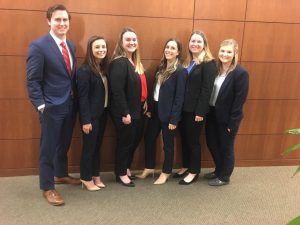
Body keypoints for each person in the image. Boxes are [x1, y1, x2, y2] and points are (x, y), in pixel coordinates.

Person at [26, 4, 79, 206]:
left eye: (65, 19)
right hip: (50, 107)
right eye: (57, 19)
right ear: (49, 21)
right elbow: (32, 80)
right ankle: (47, 187)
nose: (62, 23)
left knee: (64, 143)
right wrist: (41, 105)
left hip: (69, 105)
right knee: (48, 148)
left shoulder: (71, 46)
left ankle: (61, 174)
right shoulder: (38, 46)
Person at [137, 38, 187, 185]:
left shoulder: (180, 71)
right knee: (149, 138)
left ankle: (165, 172)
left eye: (173, 48)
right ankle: (149, 167)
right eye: (167, 47)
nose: (169, 50)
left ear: (178, 52)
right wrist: (150, 108)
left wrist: (174, 119)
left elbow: (179, 98)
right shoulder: (161, 67)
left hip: (169, 114)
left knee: (168, 145)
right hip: (156, 111)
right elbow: (155, 90)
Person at [173, 31, 216, 185]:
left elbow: (207, 90)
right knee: (184, 139)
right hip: (184, 109)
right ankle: (186, 166)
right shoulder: (188, 62)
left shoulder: (209, 63)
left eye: (199, 41)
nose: (195, 44)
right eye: (192, 41)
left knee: (193, 141)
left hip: (196, 111)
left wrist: (200, 111)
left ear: (204, 44)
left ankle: (194, 171)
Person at [205, 39, 249, 186]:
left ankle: (224, 176)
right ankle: (218, 170)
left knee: (226, 147)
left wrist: (233, 122)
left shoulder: (240, 73)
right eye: (222, 51)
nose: (225, 54)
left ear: (235, 53)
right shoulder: (216, 69)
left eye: (229, 51)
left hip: (228, 118)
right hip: (212, 114)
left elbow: (239, 100)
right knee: (212, 143)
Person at [108, 27, 148, 187]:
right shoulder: (119, 62)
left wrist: (144, 100)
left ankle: (124, 166)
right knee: (125, 141)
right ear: (121, 43)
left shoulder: (134, 62)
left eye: (134, 39)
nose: (132, 42)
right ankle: (121, 173)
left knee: (134, 139)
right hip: (124, 111)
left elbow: (138, 85)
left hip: (137, 108)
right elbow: (117, 91)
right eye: (128, 39)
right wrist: (124, 112)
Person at [77, 36, 109, 191]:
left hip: (102, 114)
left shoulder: (103, 68)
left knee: (97, 147)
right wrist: (85, 120)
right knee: (89, 148)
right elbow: (82, 98)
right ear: (90, 49)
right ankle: (86, 177)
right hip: (90, 117)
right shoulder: (84, 71)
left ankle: (96, 175)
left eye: (103, 46)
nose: (101, 49)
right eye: (97, 47)